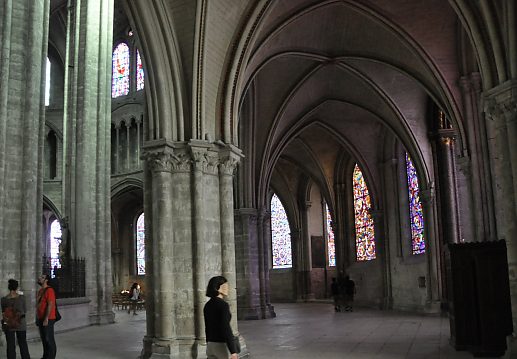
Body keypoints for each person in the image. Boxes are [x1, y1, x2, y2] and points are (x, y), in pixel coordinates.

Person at [203, 276, 238, 359]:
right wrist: (233, 351)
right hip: (222, 346)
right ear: (217, 288)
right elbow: (226, 327)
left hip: (211, 345)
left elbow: (207, 327)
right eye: (225, 286)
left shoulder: (207, 305)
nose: (227, 288)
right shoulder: (223, 305)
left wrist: (208, 342)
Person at [1, 279, 30, 359]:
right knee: (23, 344)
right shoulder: (22, 298)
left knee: (10, 345)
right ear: (17, 287)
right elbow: (25, 310)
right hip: (21, 322)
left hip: (9, 323)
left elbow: (4, 312)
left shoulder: (4, 299)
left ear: (9, 287)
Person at [36, 274, 57, 359]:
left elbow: (50, 304)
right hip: (41, 318)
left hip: (48, 318)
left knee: (49, 339)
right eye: (40, 277)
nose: (39, 278)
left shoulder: (50, 290)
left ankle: (51, 357)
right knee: (44, 338)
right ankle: (46, 356)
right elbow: (38, 304)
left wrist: (46, 318)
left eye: (42, 277)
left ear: (46, 280)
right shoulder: (40, 290)